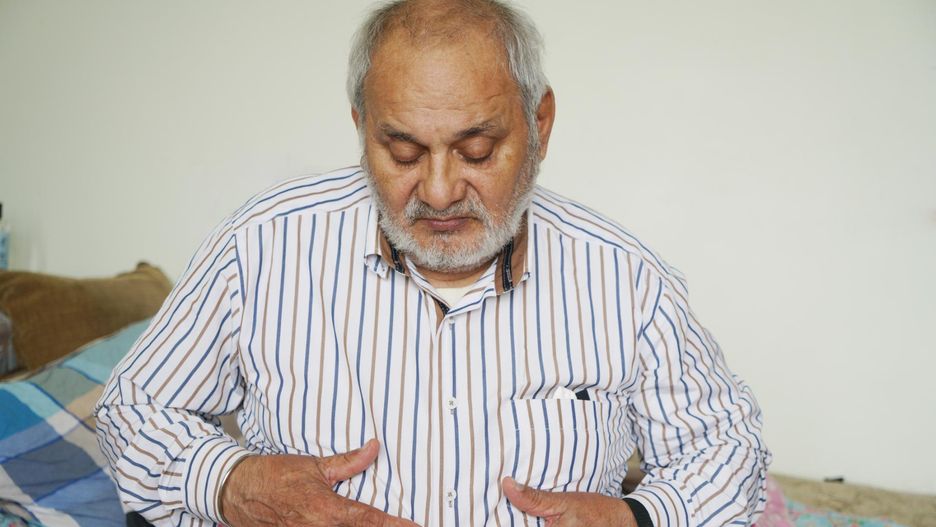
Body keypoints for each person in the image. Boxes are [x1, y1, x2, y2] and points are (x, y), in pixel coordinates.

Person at [96, 1, 770, 525]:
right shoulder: (261, 245)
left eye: (477, 151)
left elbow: (727, 449)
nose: (441, 191)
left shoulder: (628, 280)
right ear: (361, 127)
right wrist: (230, 482)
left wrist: (640, 517)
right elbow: (134, 409)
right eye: (404, 152)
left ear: (540, 124)